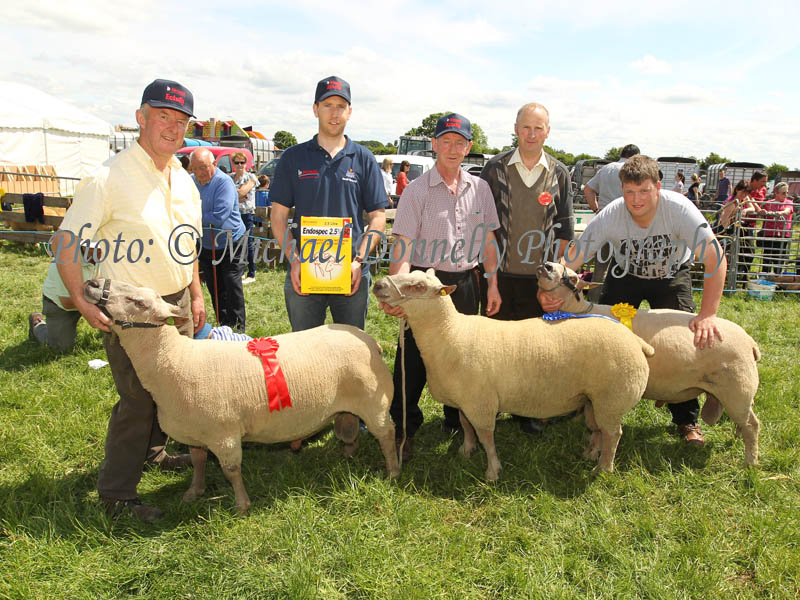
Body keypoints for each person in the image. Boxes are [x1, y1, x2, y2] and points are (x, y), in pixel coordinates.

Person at [53, 78, 205, 521]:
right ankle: (116, 492)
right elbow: (67, 242)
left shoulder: (185, 178)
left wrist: (195, 294)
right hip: (133, 310)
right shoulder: (107, 178)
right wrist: (82, 300)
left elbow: (187, 245)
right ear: (140, 117)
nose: (172, 128)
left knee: (171, 389)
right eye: (163, 116)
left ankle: (153, 452)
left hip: (175, 301)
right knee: (137, 397)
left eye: (180, 121)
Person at [540, 154, 727, 447]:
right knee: (600, 333)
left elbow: (715, 258)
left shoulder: (680, 210)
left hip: (671, 275)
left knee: (685, 342)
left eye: (644, 191)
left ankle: (686, 419)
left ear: (658, 186)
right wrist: (552, 286)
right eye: (629, 192)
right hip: (624, 274)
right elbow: (575, 256)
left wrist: (709, 313)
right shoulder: (612, 214)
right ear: (622, 189)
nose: (636, 199)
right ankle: (588, 404)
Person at [379, 112, 502, 458]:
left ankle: (457, 420)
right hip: (422, 284)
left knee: (465, 356)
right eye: (445, 141)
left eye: (459, 142)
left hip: (465, 282)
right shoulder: (416, 191)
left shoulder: (480, 189)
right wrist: (399, 289)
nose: (452, 148)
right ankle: (404, 429)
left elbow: (489, 240)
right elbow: (402, 245)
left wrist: (491, 285)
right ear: (434, 144)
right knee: (412, 356)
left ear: (469, 147)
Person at [479, 102, 573, 435]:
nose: (531, 134)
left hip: (539, 280)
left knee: (536, 349)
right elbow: (484, 225)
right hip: (500, 275)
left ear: (548, 131)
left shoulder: (560, 173)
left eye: (539, 127)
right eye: (526, 127)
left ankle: (529, 411)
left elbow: (565, 231)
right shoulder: (494, 168)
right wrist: (488, 277)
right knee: (497, 347)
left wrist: (556, 281)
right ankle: (491, 406)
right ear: (516, 129)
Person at [269, 75, 386, 332]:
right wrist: (295, 259)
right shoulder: (293, 157)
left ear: (350, 111)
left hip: (352, 272)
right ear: (315, 109)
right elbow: (277, 217)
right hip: (304, 269)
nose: (334, 113)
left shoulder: (364, 158)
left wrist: (359, 260)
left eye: (341, 106)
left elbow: (378, 216)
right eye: (327, 105)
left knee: (350, 351)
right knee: (305, 351)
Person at [191, 147, 247, 332]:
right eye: (195, 168)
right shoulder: (191, 182)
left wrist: (192, 215)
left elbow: (219, 216)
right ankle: (223, 324)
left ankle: (238, 327)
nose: (199, 173)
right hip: (206, 243)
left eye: (203, 167)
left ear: (214, 164)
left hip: (232, 241)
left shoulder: (224, 182)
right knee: (215, 285)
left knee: (231, 282)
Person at [584, 143, 639, 301]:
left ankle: (594, 302)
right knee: (627, 267)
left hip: (604, 222)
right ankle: (622, 301)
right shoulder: (634, 171)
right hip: (628, 224)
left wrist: (596, 210)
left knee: (600, 267)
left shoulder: (606, 169)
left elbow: (588, 189)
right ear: (635, 157)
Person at [28, 241, 101, 352]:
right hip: (60, 305)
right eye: (94, 248)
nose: (100, 251)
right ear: (83, 246)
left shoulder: (109, 257)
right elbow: (65, 302)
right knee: (61, 348)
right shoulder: (65, 261)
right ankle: (37, 324)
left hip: (93, 299)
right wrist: (99, 301)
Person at [715, 180, 759, 276]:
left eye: (746, 192)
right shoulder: (731, 203)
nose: (744, 194)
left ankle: (741, 274)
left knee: (748, 251)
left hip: (738, 229)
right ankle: (726, 274)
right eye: (743, 192)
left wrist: (745, 210)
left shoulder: (744, 198)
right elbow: (723, 221)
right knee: (725, 253)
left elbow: (752, 208)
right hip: (727, 230)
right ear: (737, 190)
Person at [231, 151, 259, 284]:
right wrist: (240, 195)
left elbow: (241, 193)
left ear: (246, 163)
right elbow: (231, 195)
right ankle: (240, 271)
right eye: (237, 162)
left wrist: (238, 193)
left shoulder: (251, 177)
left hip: (247, 214)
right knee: (236, 243)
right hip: (234, 214)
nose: (240, 165)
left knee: (248, 243)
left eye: (242, 162)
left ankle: (251, 273)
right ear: (233, 164)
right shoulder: (230, 178)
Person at [757, 182, 794, 273]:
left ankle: (777, 276)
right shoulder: (769, 203)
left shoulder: (789, 202)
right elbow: (763, 213)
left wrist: (779, 213)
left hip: (782, 234)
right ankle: (765, 276)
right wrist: (763, 212)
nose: (786, 195)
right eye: (783, 193)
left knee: (779, 257)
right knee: (767, 256)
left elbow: (787, 211)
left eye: (787, 192)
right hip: (769, 233)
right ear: (776, 193)